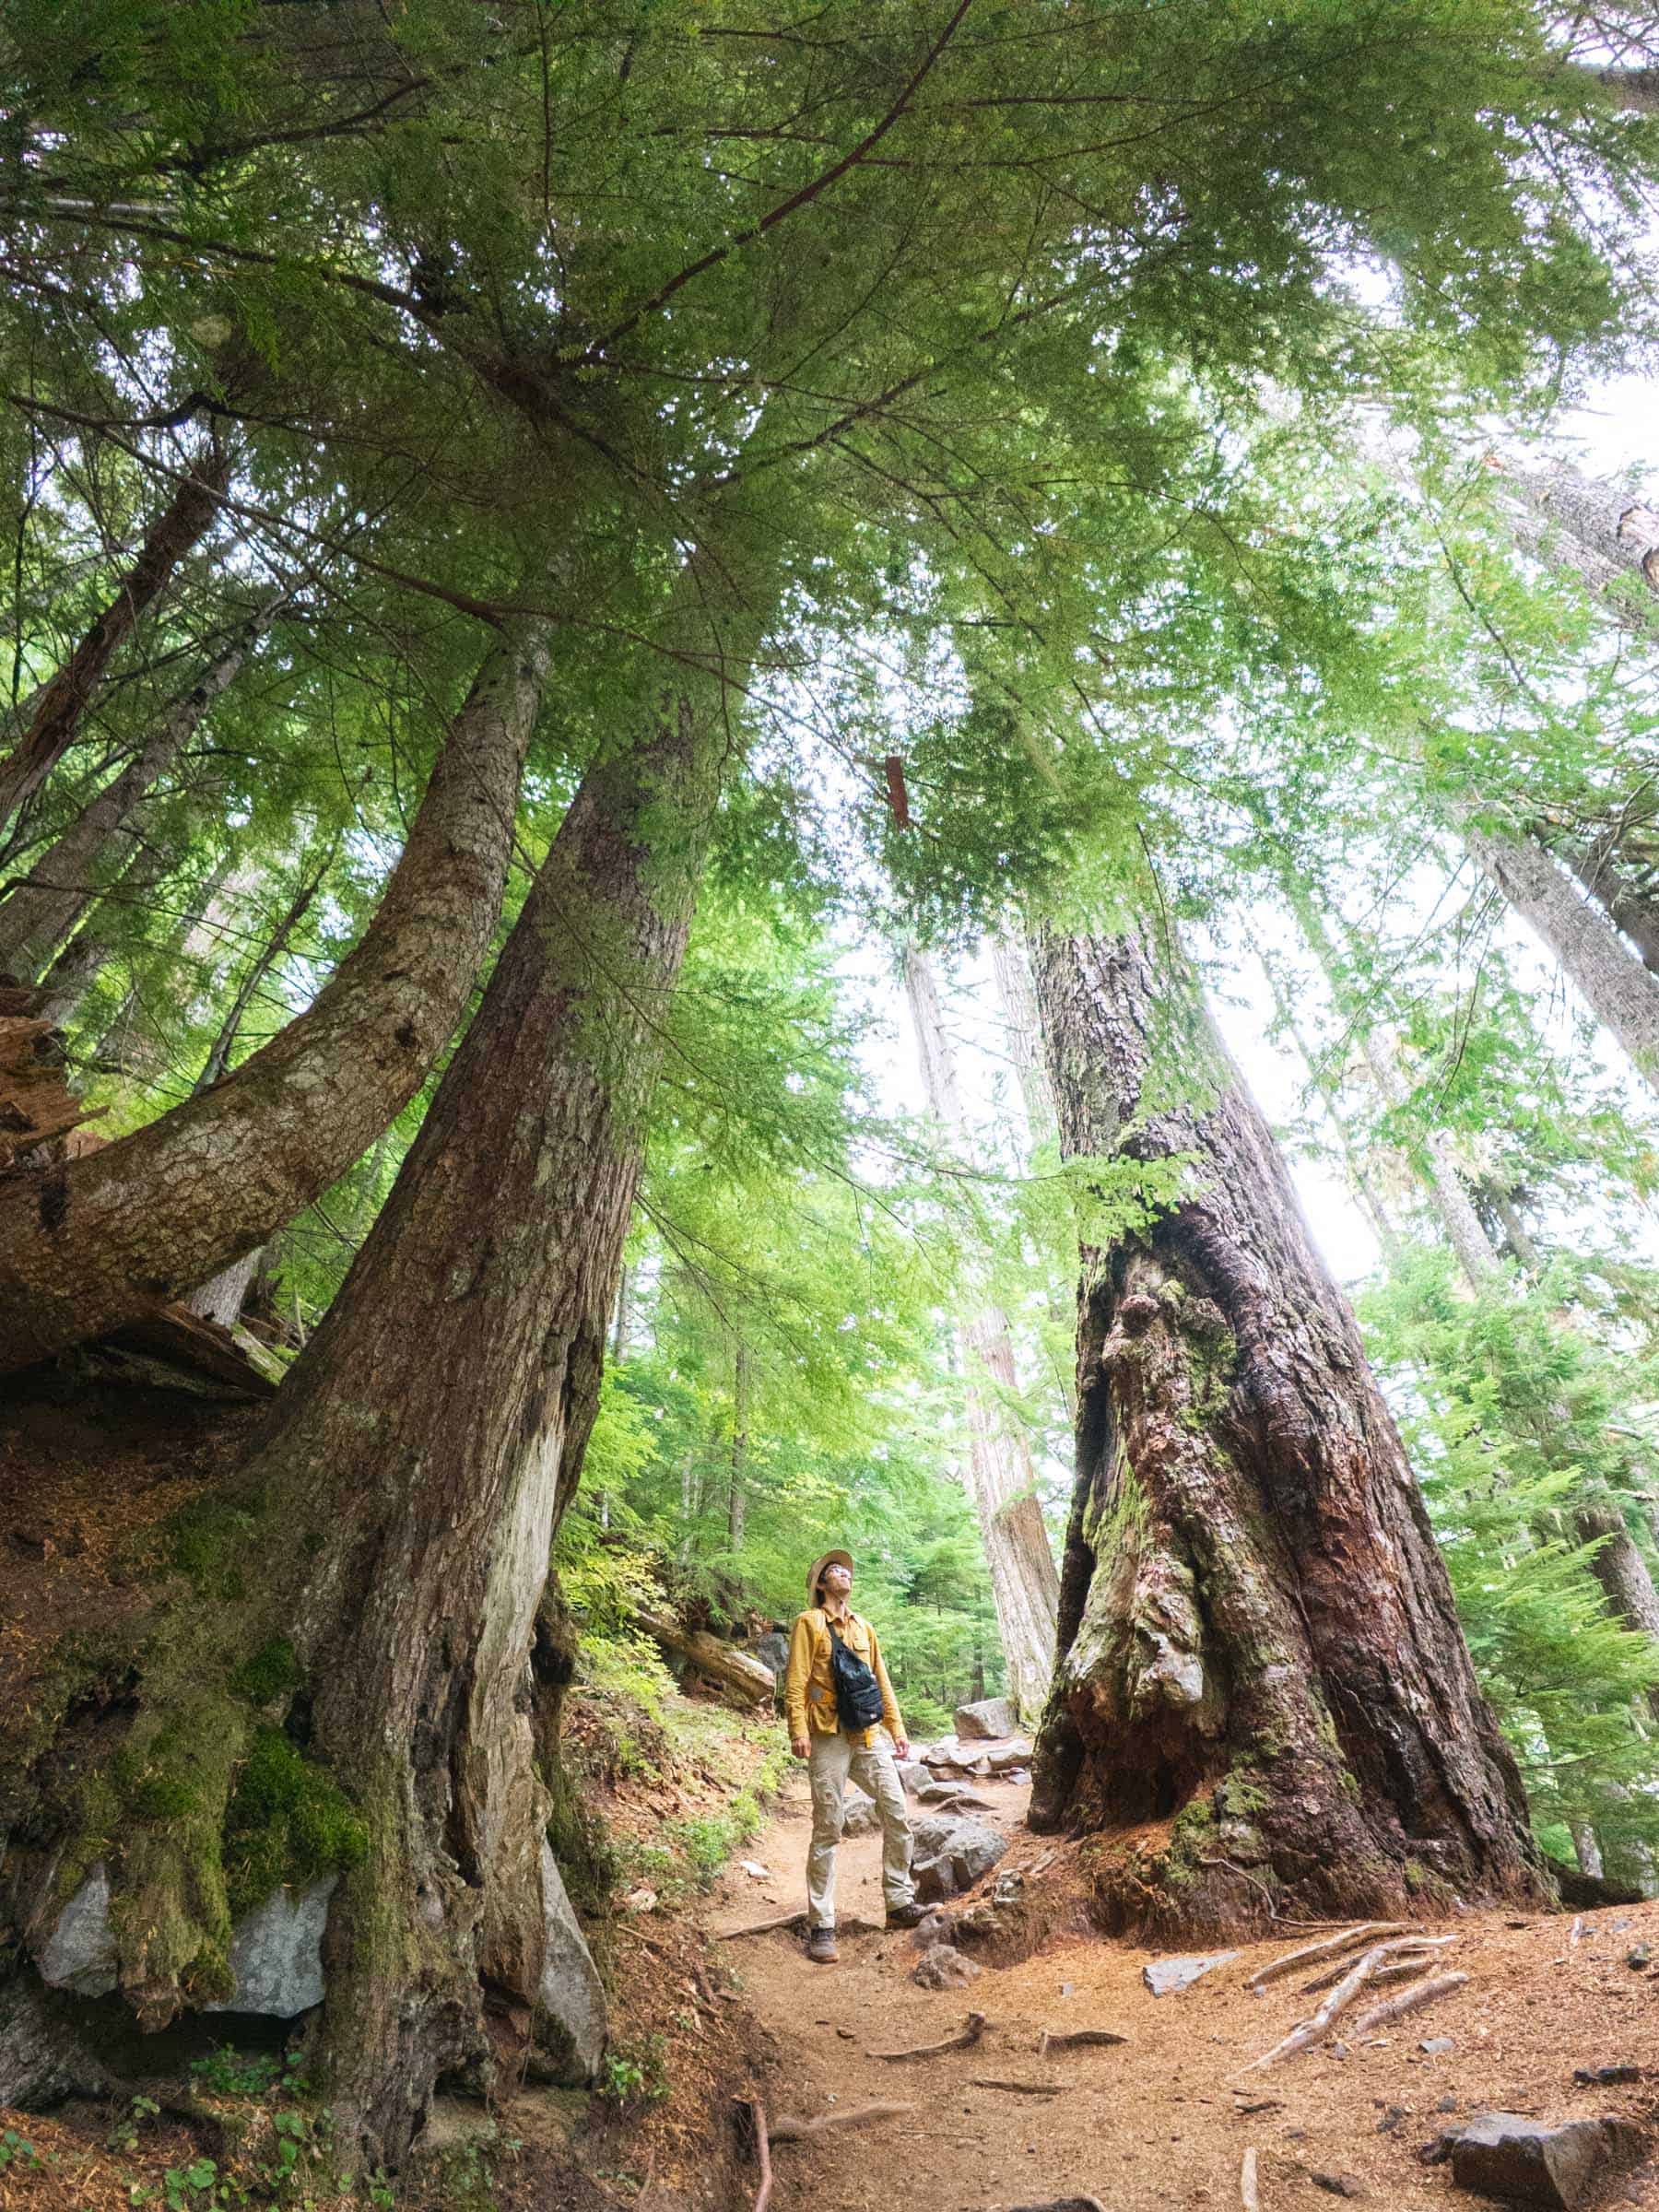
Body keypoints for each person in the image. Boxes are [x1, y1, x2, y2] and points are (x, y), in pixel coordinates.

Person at [783, 1547, 925, 1963]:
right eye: (834, 1571)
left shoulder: (865, 1628)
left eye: (846, 1570)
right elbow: (795, 1681)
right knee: (829, 1825)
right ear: (821, 1585)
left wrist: (896, 1730)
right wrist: (798, 1730)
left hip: (867, 1734)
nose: (843, 1573)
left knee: (897, 1810)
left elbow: (881, 1681)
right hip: (826, 1735)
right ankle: (822, 1925)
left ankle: (899, 1903)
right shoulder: (808, 1624)